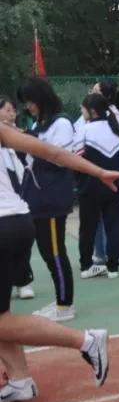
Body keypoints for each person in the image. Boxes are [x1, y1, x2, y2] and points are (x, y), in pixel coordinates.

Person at [0, 119, 119, 402]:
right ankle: (20, 380)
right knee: (2, 318)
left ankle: (86, 341)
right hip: (19, 220)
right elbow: (52, 152)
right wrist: (99, 171)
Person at [17, 78, 77, 322]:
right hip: (36, 197)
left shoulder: (61, 123)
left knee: (54, 252)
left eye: (31, 101)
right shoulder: (39, 124)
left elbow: (59, 158)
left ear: (42, 99)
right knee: (46, 251)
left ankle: (65, 305)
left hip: (51, 198)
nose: (28, 107)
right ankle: (62, 300)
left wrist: (28, 144)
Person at [73, 94, 119, 280]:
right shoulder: (117, 129)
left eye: (83, 108)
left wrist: (77, 182)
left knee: (87, 227)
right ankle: (113, 267)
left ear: (92, 111)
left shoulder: (84, 130)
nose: (82, 111)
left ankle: (86, 265)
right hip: (116, 186)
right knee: (113, 226)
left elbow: (76, 159)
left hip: (90, 187)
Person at [1, 96, 34, 301]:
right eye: (7, 110)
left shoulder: (20, 136)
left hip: (17, 198)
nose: (12, 113)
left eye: (13, 110)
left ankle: (23, 281)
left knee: (18, 242)